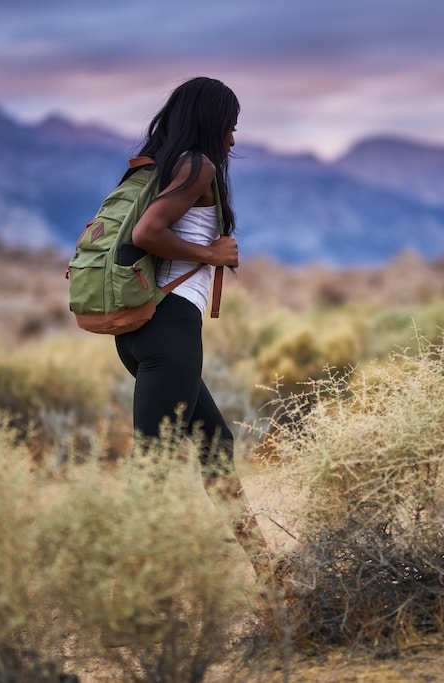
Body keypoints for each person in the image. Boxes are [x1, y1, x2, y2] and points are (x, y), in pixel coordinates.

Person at [113, 77, 273, 584]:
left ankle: (270, 574)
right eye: (229, 126)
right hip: (169, 328)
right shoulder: (196, 165)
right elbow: (146, 232)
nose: (232, 139)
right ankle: (127, 606)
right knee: (154, 468)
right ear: (211, 123)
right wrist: (211, 254)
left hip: (144, 332)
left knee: (214, 443)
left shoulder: (160, 165)